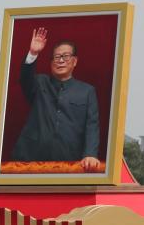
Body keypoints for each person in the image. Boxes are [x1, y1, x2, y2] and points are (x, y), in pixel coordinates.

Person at [11, 28, 100, 170]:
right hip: (31, 161)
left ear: (75, 61)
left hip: (69, 162)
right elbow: (25, 78)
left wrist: (90, 153)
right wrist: (33, 53)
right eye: (57, 57)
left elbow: (92, 126)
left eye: (65, 56)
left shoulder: (86, 91)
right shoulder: (40, 83)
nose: (61, 61)